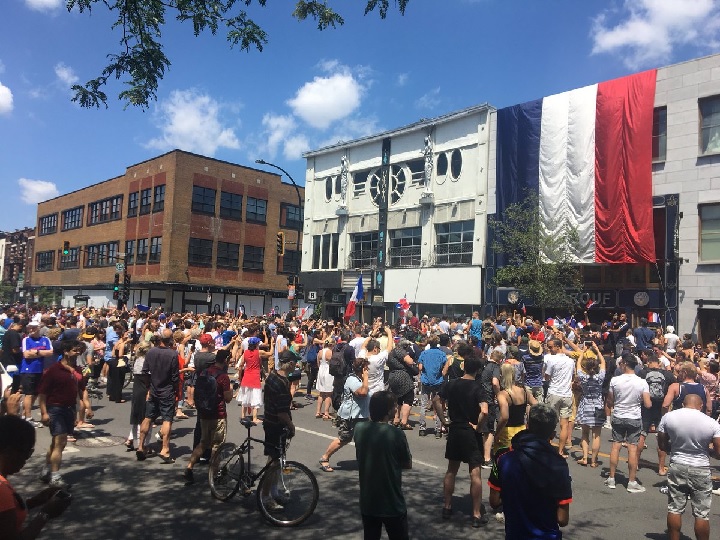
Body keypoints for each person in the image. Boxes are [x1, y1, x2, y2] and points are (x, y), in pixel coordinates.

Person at [488, 404, 572, 540]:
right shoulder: (559, 465)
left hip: (514, 534)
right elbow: (562, 519)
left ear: (527, 426)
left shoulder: (502, 457)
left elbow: (494, 501)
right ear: (552, 434)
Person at [657, 394, 720, 540]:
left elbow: (661, 443)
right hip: (701, 467)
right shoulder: (711, 423)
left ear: (683, 404)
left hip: (677, 464)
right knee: (701, 513)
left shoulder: (669, 417)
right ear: (701, 406)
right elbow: (719, 453)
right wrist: (708, 450)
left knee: (675, 508)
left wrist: (671, 448)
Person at [353, 391, 412, 540]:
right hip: (392, 502)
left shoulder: (359, 429)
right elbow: (407, 463)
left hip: (368, 501)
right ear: (388, 411)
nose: (396, 409)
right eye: (394, 406)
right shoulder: (396, 433)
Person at [0, 415, 72, 538]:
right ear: (9, 451)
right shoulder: (2, 491)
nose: (26, 459)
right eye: (27, 452)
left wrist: (34, 502)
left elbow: (7, 514)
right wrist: (45, 514)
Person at [438, 355, 488, 528]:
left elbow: (437, 400)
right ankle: (475, 513)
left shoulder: (451, 384)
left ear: (463, 367)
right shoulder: (478, 387)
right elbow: (485, 411)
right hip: (470, 431)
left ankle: (447, 506)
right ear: (478, 370)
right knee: (475, 472)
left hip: (455, 428)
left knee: (452, 469)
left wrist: (443, 420)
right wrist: (479, 426)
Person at [37, 339, 86, 488]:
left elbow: (80, 390)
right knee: (61, 441)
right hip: (55, 408)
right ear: (65, 351)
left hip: (69, 409)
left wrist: (85, 408)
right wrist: (44, 413)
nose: (77, 353)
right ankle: (55, 476)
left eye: (79, 351)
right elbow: (43, 394)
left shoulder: (77, 370)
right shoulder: (54, 370)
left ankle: (46, 469)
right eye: (75, 350)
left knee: (56, 442)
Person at [183, 348, 232, 484]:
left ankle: (189, 467)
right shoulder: (223, 377)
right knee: (217, 445)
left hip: (204, 412)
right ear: (226, 360)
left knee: (203, 442)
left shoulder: (205, 372)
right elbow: (227, 398)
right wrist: (232, 390)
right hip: (218, 414)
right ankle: (214, 474)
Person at [605, 353, 652, 493]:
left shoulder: (615, 380)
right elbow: (648, 403)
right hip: (634, 417)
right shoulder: (642, 382)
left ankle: (612, 478)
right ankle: (631, 481)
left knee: (615, 446)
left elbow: (610, 400)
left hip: (619, 415)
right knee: (632, 449)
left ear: (624, 363)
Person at [136, 329, 179, 463]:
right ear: (170, 340)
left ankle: (140, 446)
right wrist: (176, 391)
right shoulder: (173, 354)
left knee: (148, 417)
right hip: (167, 391)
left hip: (154, 390)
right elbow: (175, 377)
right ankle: (165, 449)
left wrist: (149, 386)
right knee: (167, 419)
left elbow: (144, 372)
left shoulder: (151, 352)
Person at [319, 357, 369, 472]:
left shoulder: (360, 379)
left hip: (361, 416)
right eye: (366, 368)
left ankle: (364, 462)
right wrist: (366, 377)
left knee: (363, 440)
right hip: (351, 416)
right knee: (344, 439)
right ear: (362, 369)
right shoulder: (353, 380)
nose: (368, 370)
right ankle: (324, 458)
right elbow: (363, 393)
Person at [574, 342, 605, 467]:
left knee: (584, 433)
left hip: (585, 404)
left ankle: (585, 457)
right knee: (596, 434)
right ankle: (594, 460)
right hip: (598, 404)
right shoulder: (600, 377)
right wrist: (597, 350)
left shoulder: (583, 377)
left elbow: (578, 364)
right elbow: (603, 363)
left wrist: (582, 352)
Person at [494, 363, 537, 453]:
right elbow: (536, 404)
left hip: (507, 432)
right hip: (522, 430)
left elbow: (505, 417)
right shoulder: (524, 390)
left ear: (502, 376)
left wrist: (497, 434)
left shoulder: (503, 394)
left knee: (504, 460)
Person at [543, 338, 575, 458]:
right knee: (564, 424)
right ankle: (561, 451)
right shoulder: (570, 361)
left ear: (558, 346)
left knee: (550, 421)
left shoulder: (552, 360)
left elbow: (547, 377)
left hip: (554, 392)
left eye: (551, 347)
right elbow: (572, 376)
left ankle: (548, 447)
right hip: (566, 394)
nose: (549, 349)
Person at [20, 321, 54, 426]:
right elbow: (26, 354)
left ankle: (25, 414)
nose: (31, 330)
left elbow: (50, 352)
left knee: (35, 393)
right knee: (29, 394)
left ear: (39, 328)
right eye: (30, 328)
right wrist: (41, 353)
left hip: (40, 369)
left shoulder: (45, 339)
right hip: (28, 370)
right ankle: (28, 418)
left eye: (34, 328)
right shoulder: (26, 339)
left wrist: (36, 352)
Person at [418, 336, 450, 438]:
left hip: (426, 380)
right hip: (438, 381)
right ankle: (437, 429)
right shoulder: (442, 354)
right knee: (438, 405)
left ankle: (422, 428)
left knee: (423, 404)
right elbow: (445, 366)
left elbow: (420, 367)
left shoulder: (424, 353)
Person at [314, 340, 334, 419]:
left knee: (321, 393)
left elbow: (318, 363)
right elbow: (332, 362)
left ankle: (318, 411)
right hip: (328, 371)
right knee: (328, 393)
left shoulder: (320, 352)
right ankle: (326, 412)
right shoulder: (330, 352)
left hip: (321, 370)